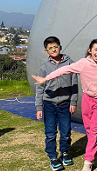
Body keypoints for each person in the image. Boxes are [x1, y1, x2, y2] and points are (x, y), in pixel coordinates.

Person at [32, 39, 97, 171]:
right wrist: (46, 79)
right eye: (96, 49)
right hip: (86, 100)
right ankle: (95, 155)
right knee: (90, 131)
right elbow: (64, 70)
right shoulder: (83, 63)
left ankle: (88, 161)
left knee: (95, 131)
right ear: (90, 50)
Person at [35, 36, 78, 171]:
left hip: (65, 104)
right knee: (50, 132)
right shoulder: (44, 67)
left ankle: (65, 153)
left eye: (55, 47)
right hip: (49, 105)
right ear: (46, 51)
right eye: (50, 48)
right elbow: (40, 88)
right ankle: (53, 156)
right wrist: (38, 107)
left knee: (65, 132)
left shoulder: (70, 63)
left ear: (60, 47)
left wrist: (73, 101)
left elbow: (74, 84)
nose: (54, 50)